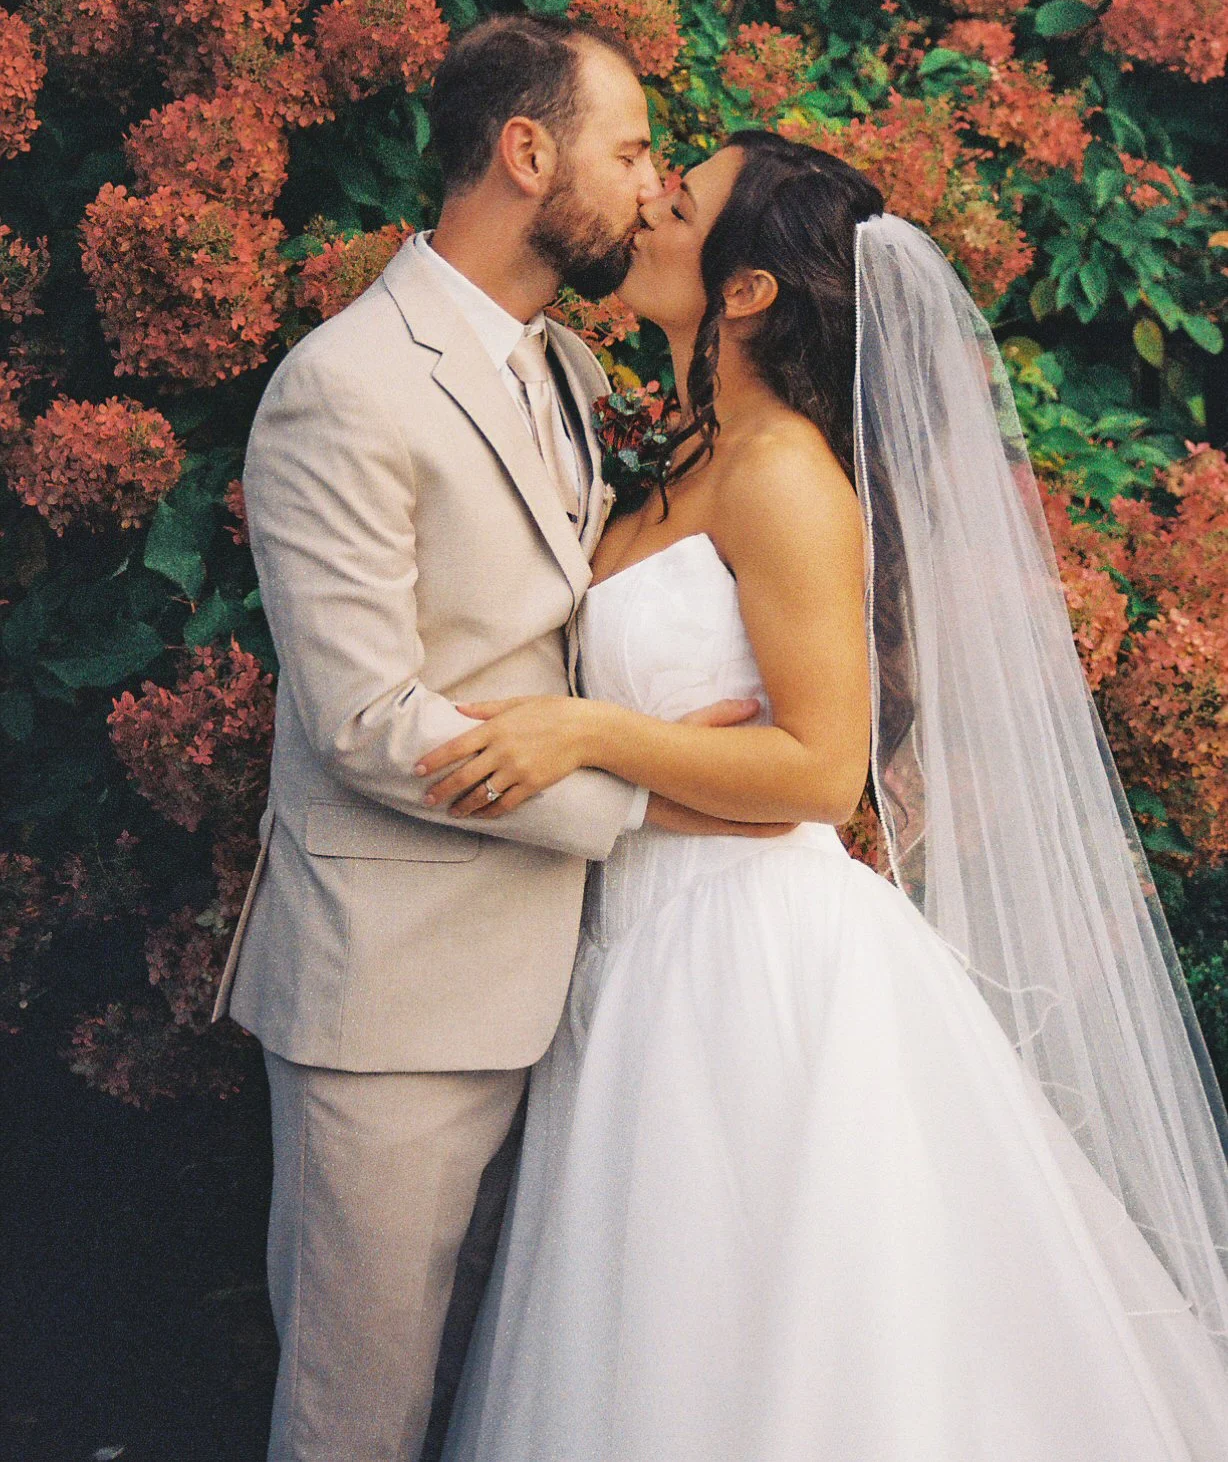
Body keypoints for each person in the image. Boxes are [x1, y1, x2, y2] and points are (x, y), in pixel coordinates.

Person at [421, 132, 1228, 1461]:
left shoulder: (784, 470)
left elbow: (820, 770)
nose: (650, 207)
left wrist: (592, 731)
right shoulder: (685, 456)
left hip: (752, 967)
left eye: (680, 203)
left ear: (746, 292)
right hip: (641, 949)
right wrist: (628, 753)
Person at [209, 17, 763, 1462]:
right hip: (394, 1008)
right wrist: (640, 782)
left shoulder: (563, 368)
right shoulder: (346, 386)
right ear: (529, 153)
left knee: (516, 1405)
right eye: (632, 148)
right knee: (361, 1418)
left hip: (569, 988)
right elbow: (366, 716)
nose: (653, 189)